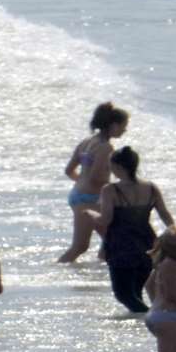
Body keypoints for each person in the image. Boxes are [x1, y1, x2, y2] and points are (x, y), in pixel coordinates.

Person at [89, 146, 173, 315]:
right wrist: (174, 233)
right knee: (136, 291)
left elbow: (105, 219)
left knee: (123, 295)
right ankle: (151, 323)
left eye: (111, 165)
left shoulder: (110, 190)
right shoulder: (150, 187)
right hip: (147, 244)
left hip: (121, 246)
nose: (109, 169)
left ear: (119, 167)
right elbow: (164, 214)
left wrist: (90, 213)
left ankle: (154, 317)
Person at [60, 103, 130, 262]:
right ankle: (55, 271)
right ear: (113, 125)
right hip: (89, 200)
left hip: (78, 195)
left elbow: (69, 171)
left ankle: (101, 271)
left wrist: (82, 183)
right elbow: (96, 178)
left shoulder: (86, 142)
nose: (125, 130)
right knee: (80, 247)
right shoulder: (105, 147)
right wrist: (116, 190)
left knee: (112, 240)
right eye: (123, 126)